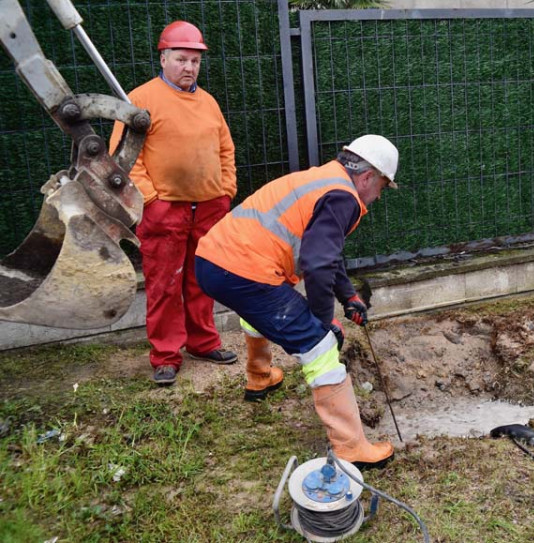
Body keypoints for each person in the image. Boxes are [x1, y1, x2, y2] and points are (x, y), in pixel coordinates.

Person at [194, 134, 398, 468]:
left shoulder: (323, 179)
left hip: (212, 262)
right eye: (382, 187)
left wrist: (347, 295)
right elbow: (317, 264)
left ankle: (259, 376)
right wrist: (322, 322)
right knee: (318, 346)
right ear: (367, 177)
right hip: (244, 270)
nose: (378, 196)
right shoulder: (343, 197)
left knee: (259, 310)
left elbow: (323, 252)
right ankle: (350, 447)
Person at [110, 21, 238, 386]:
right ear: (163, 58)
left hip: (210, 208)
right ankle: (165, 356)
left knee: (203, 280)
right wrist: (151, 200)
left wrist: (225, 189)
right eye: (181, 59)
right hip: (164, 211)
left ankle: (203, 342)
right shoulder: (140, 100)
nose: (189, 67)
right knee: (164, 284)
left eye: (195, 61)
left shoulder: (209, 102)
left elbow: (225, 149)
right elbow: (123, 158)